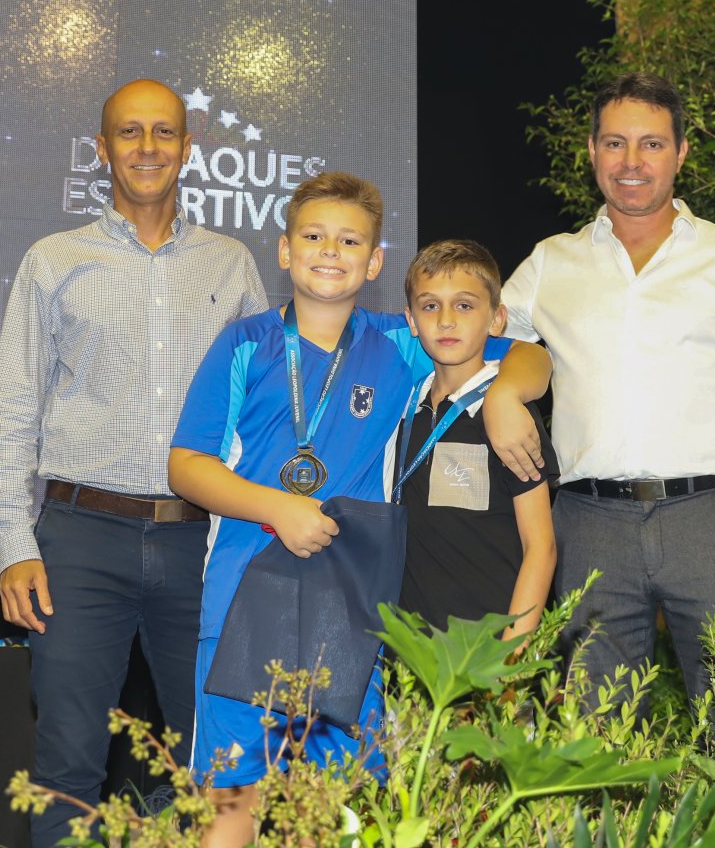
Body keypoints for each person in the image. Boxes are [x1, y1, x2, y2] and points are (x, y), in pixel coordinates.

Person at [167, 173, 550, 848]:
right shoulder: (244, 343)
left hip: (349, 611)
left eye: (350, 241)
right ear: (284, 250)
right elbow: (187, 465)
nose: (330, 251)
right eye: (314, 236)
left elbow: (530, 356)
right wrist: (279, 507)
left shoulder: (403, 342)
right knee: (230, 798)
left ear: (374, 263)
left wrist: (504, 396)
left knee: (333, 802)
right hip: (242, 597)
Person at [0, 78, 268, 847]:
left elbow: (263, 414)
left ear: (188, 149)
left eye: (164, 132)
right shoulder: (53, 260)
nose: (147, 147)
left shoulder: (232, 265)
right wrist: (14, 545)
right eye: (129, 132)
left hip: (203, 541)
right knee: (67, 766)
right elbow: (11, 408)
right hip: (79, 542)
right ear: (102, 149)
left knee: (220, 767)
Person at [500, 71, 715, 708]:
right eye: (615, 143)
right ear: (592, 151)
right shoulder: (550, 262)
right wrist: (501, 395)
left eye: (651, 144)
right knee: (595, 731)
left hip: (708, 520)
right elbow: (479, 343)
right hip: (588, 522)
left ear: (680, 153)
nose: (631, 161)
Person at [396, 239, 558, 642]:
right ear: (411, 320)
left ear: (497, 319)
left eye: (465, 305)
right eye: (430, 306)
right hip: (411, 649)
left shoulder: (509, 416)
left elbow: (540, 547)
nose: (446, 320)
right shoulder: (403, 409)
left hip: (489, 646)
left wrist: (512, 654)